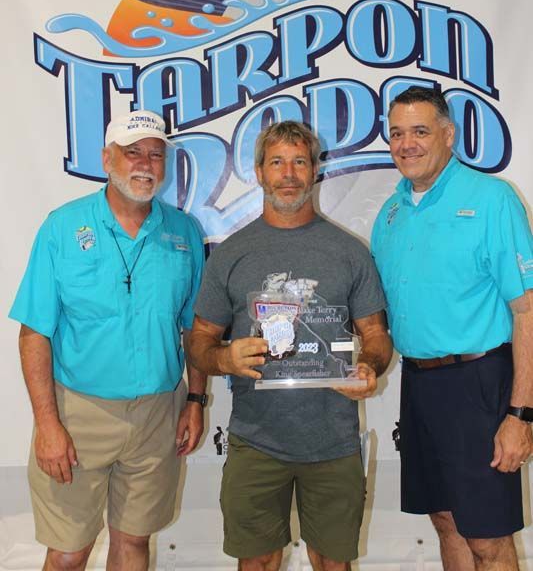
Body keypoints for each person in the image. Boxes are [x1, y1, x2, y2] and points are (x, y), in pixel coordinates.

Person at [190, 120, 392, 571]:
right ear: (259, 172)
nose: (288, 173)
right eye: (277, 162)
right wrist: (223, 357)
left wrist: (370, 367)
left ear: (315, 171)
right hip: (256, 440)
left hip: (334, 441)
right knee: (257, 561)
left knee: (331, 561)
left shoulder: (349, 251)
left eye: (299, 162)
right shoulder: (230, 254)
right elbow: (200, 340)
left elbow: (376, 336)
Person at [9, 110, 207, 571]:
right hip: (79, 413)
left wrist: (195, 399)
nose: (145, 163)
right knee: (67, 553)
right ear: (106, 158)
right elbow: (34, 332)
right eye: (132, 152)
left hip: (158, 414)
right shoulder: (63, 227)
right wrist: (48, 425)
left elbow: (196, 327)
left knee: (134, 544)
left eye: (156, 154)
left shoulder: (184, 232)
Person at [371, 86, 533, 571]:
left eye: (420, 131)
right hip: (418, 384)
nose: (407, 144)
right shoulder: (392, 213)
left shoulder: (491, 199)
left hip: (479, 384)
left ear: (448, 135)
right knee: (444, 519)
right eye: (397, 133)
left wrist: (521, 414)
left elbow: (527, 312)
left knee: (487, 538)